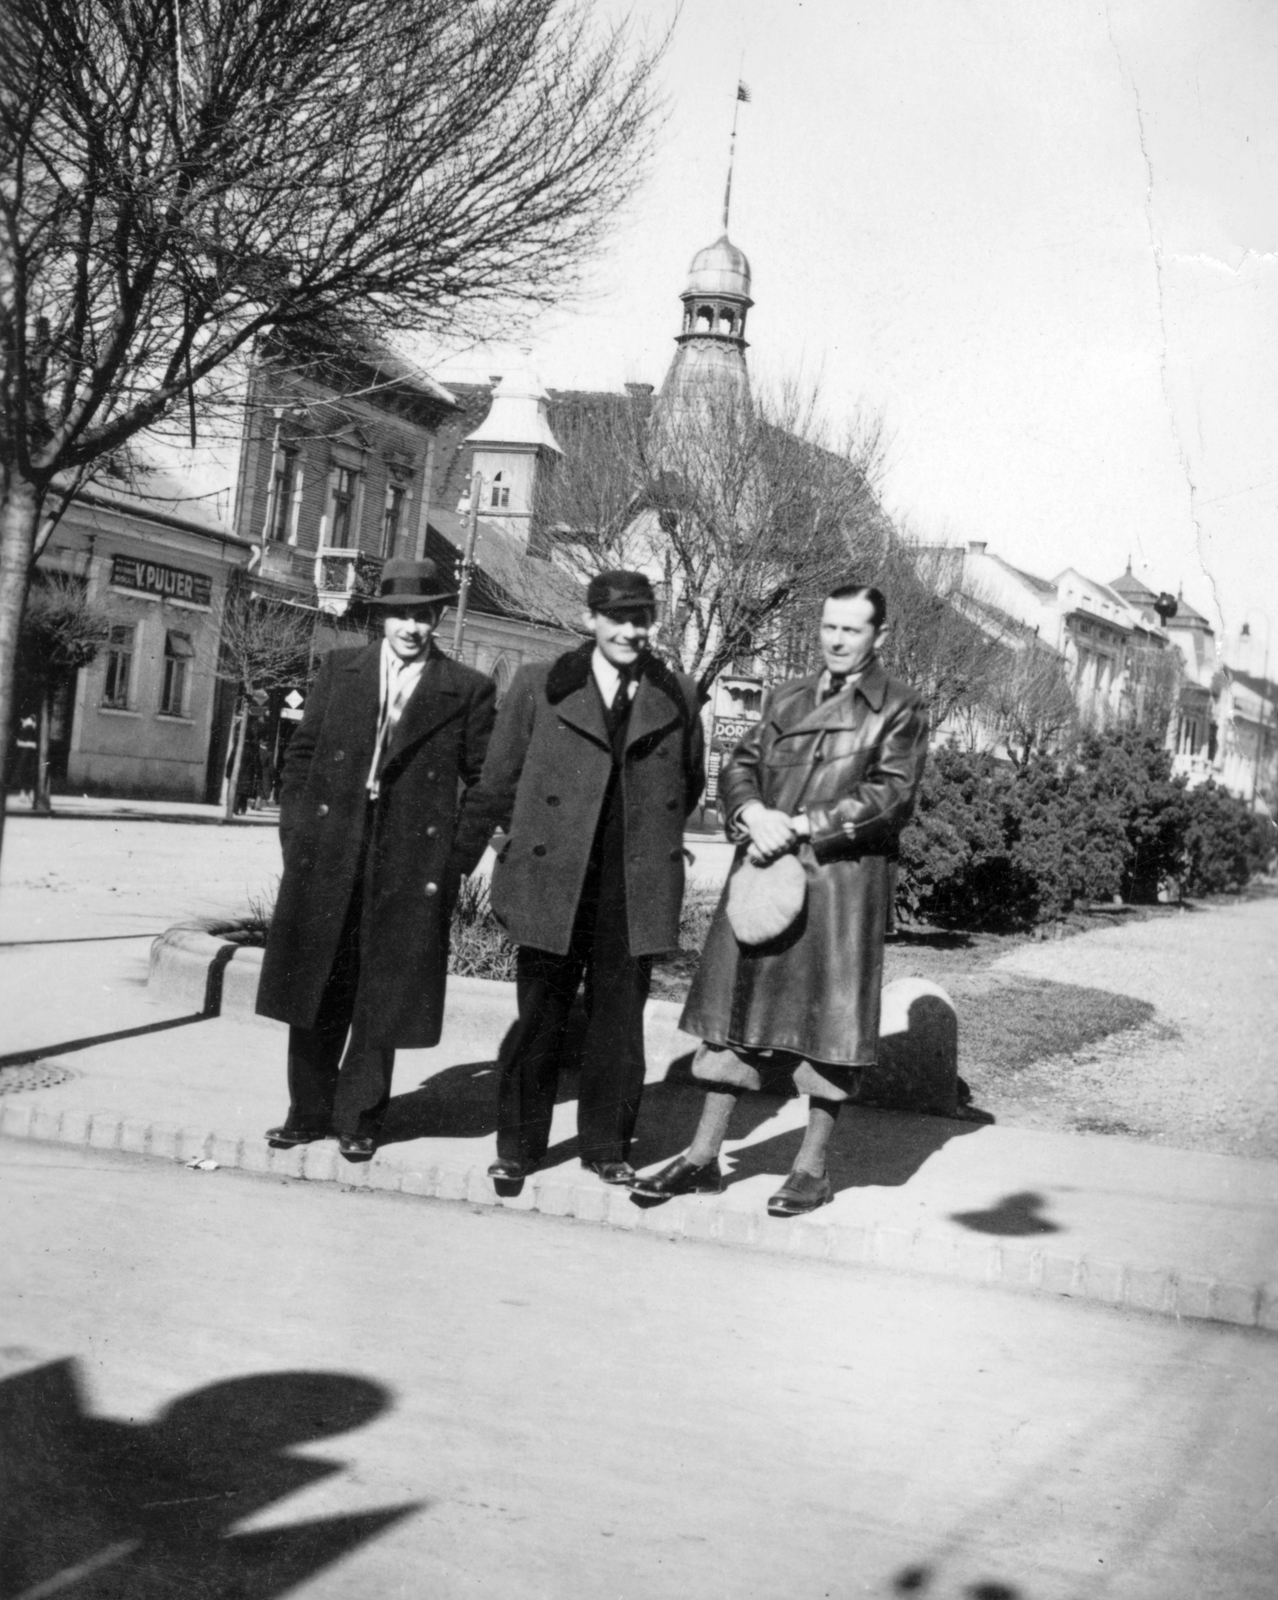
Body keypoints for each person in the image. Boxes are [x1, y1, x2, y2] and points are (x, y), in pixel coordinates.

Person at [631, 583, 929, 1216]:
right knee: (733, 1022)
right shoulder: (788, 695)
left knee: (826, 1031)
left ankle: (811, 1169)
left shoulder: (900, 707)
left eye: (851, 630)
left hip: (837, 887)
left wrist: (798, 824)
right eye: (828, 627)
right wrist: (752, 808)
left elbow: (891, 796)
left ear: (879, 636)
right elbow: (739, 764)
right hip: (764, 875)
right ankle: (702, 1158)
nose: (836, 640)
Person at [454, 570, 705, 1191]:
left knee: (619, 1024)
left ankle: (606, 1148)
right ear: (590, 621)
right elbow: (498, 779)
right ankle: (516, 1147)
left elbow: (690, 784)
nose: (630, 631)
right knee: (539, 1016)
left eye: (642, 619)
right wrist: (468, 859)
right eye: (617, 618)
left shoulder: (677, 694)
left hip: (633, 880)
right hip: (553, 876)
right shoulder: (542, 684)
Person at [256, 557, 496, 1161]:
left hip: (409, 862)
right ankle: (306, 1111)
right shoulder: (342, 670)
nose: (413, 627)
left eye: (425, 615)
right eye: (402, 615)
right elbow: (302, 757)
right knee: (317, 980)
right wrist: (298, 838)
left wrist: (453, 861)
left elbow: (486, 783)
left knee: (381, 989)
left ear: (438, 618)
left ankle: (360, 1118)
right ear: (382, 617)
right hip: (332, 850)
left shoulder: (466, 689)